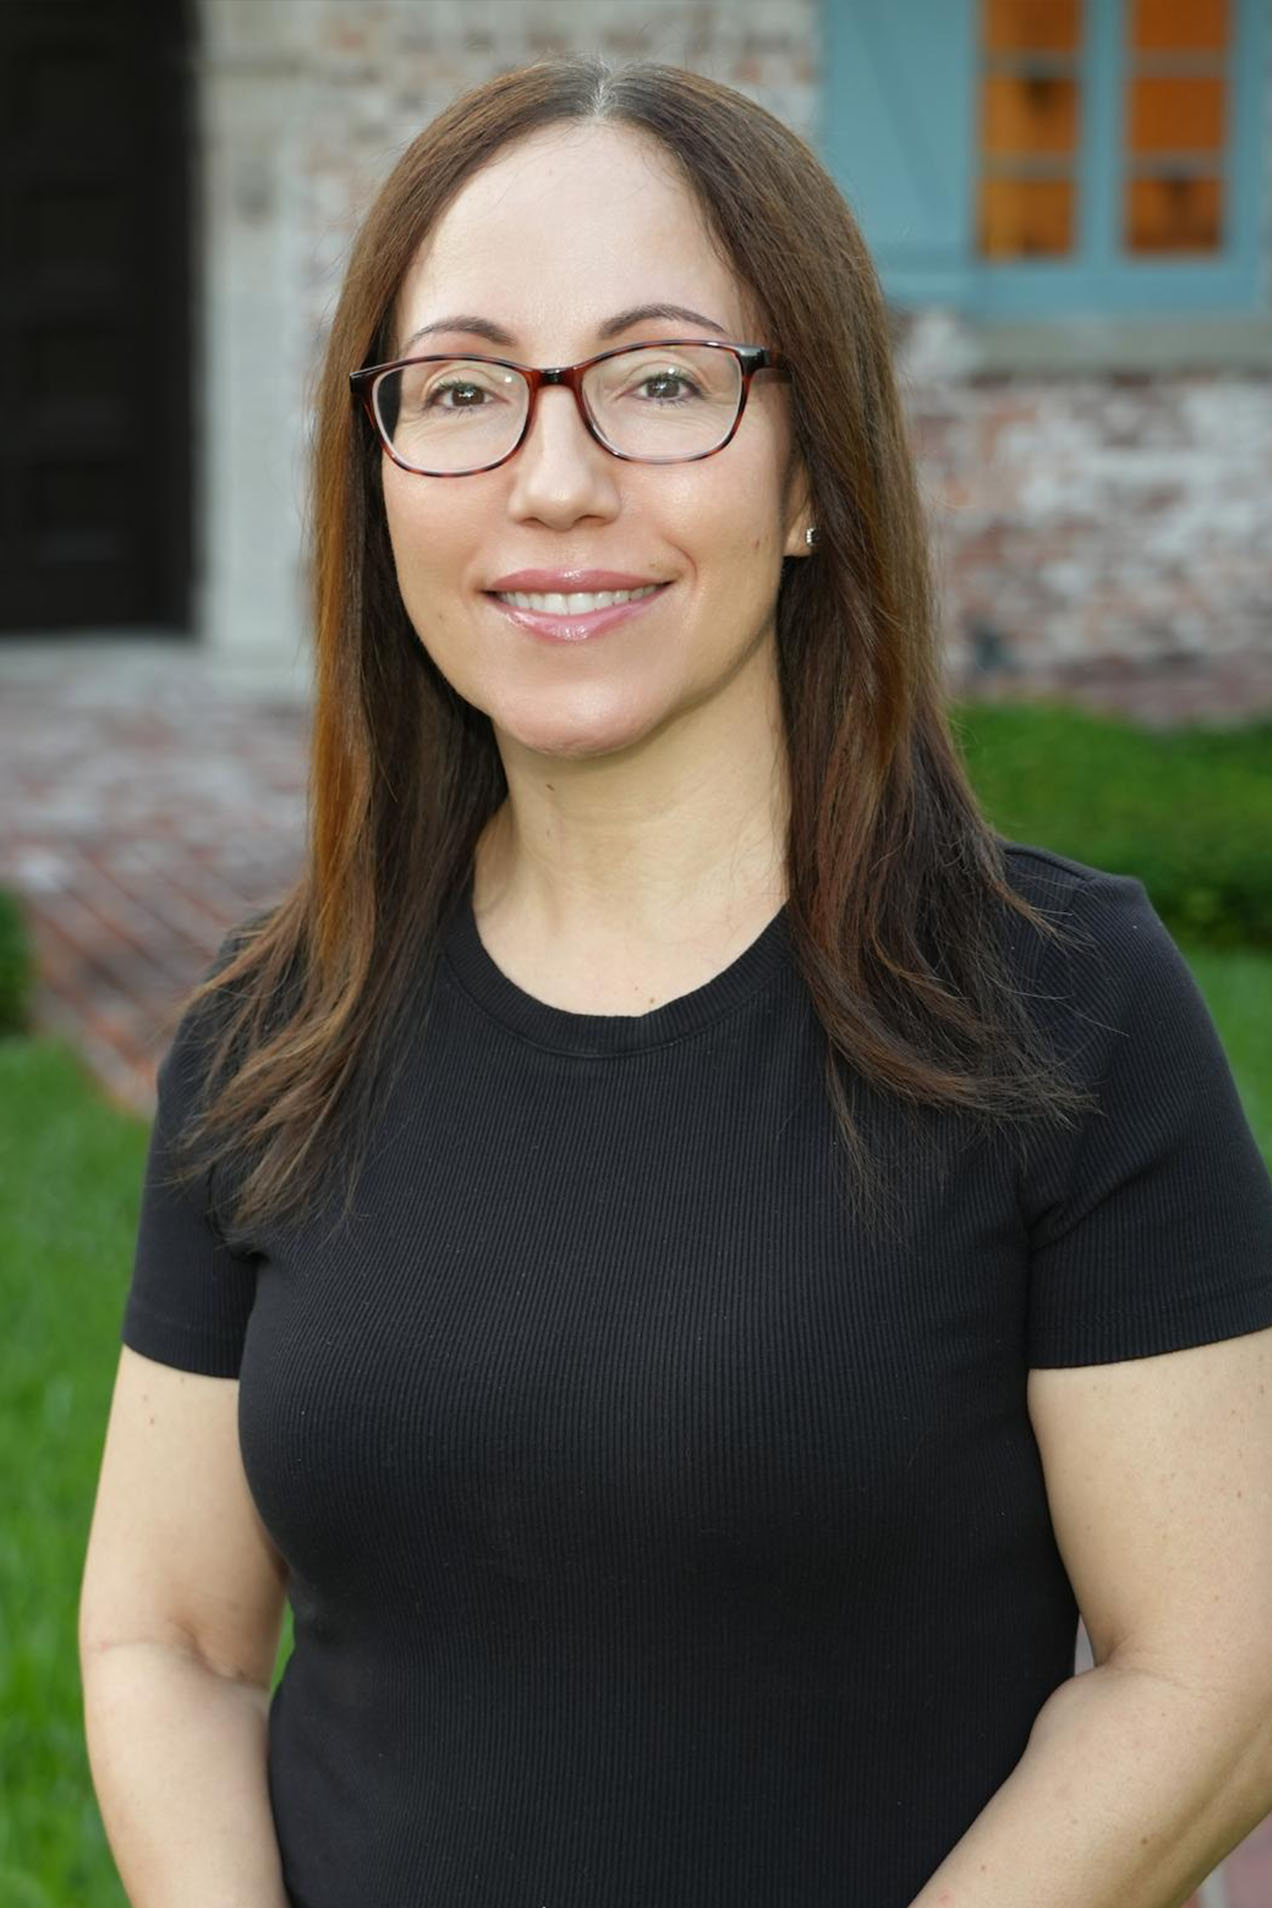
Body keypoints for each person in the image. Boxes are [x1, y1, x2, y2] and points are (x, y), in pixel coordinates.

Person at [79, 53, 1272, 1908]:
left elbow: (1212, 1676)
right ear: (382, 474)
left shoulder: (1065, 1008)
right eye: (465, 391)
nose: (553, 483)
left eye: (657, 383)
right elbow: (166, 1640)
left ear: (812, 478)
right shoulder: (272, 1028)